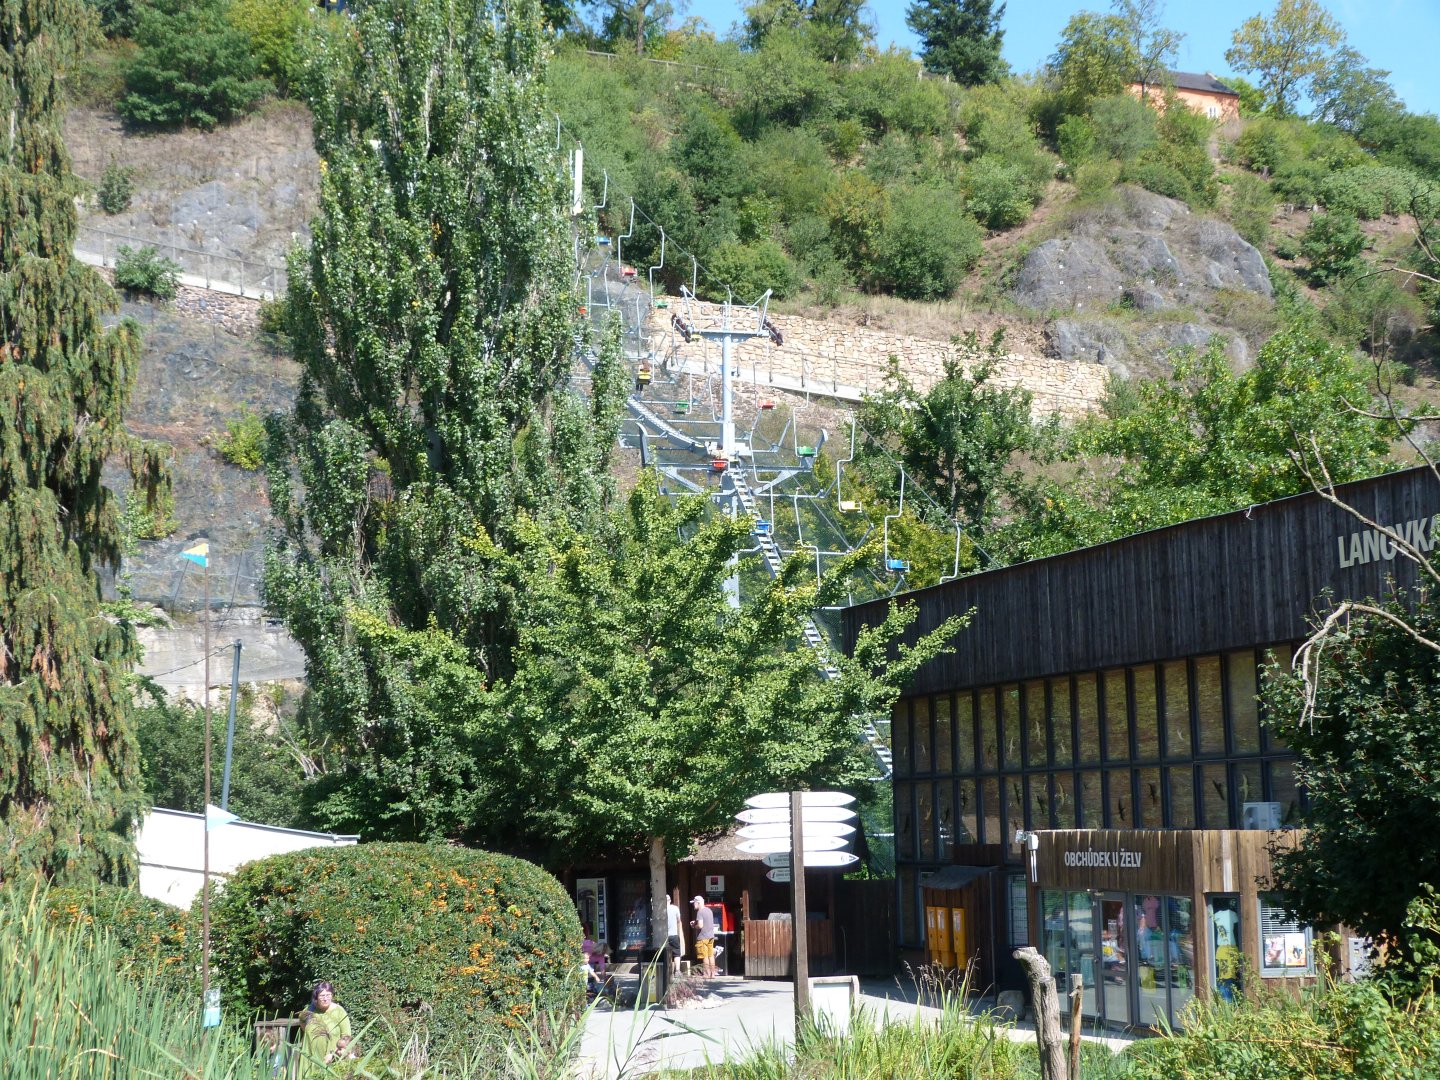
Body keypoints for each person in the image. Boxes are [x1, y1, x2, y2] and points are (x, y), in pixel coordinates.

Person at [294, 981, 353, 1077]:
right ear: (316, 997)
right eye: (322, 996)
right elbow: (303, 1027)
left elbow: (346, 1038)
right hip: (310, 1058)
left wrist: (334, 1055)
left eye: (328, 995)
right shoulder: (308, 1011)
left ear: (332, 995)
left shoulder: (339, 1011)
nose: (325, 999)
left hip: (331, 1059)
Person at [690, 895, 716, 979]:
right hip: (711, 936)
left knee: (704, 956)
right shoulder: (709, 910)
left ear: (698, 903)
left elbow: (700, 926)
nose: (694, 904)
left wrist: (694, 926)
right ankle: (713, 974)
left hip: (703, 937)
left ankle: (706, 974)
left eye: (694, 903)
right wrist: (696, 922)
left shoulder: (700, 912)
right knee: (711, 955)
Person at [666, 897, 685, 976]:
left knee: (665, 953)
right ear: (670, 901)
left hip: (663, 936)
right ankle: (677, 970)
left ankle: (666, 970)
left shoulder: (659, 910)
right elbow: (678, 920)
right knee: (676, 953)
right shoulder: (675, 908)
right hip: (674, 934)